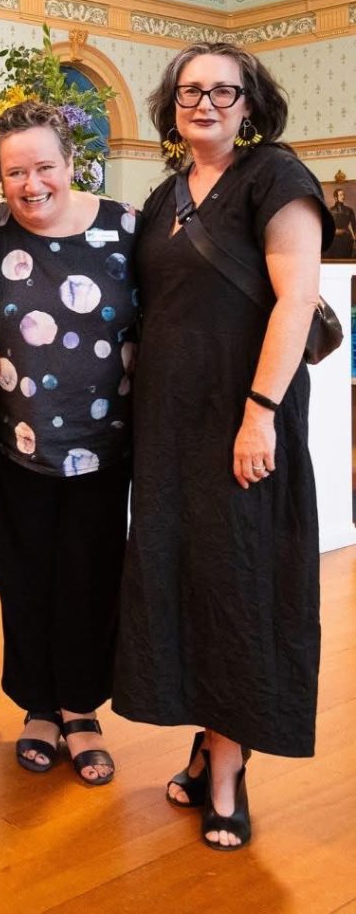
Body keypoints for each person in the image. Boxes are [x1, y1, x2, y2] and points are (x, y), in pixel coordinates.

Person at [113, 43, 333, 850]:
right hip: (169, 430)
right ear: (172, 104)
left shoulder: (275, 176)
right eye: (189, 90)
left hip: (244, 424)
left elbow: (297, 298)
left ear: (249, 103)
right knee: (184, 584)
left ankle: (230, 772)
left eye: (222, 91)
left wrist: (260, 412)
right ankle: (207, 746)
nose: (203, 102)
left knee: (238, 586)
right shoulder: (163, 196)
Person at [0, 101, 138, 785]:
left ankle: (81, 709)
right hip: (17, 446)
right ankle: (37, 706)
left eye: (45, 166)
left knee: (90, 579)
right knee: (26, 577)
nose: (32, 183)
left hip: (107, 444)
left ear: (73, 164)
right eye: (16, 171)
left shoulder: (125, 229)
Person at [325, 187, 356, 259]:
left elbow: (354, 226)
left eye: (343, 195)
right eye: (341, 195)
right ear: (336, 197)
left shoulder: (349, 210)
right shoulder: (330, 210)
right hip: (334, 239)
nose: (343, 197)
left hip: (346, 239)